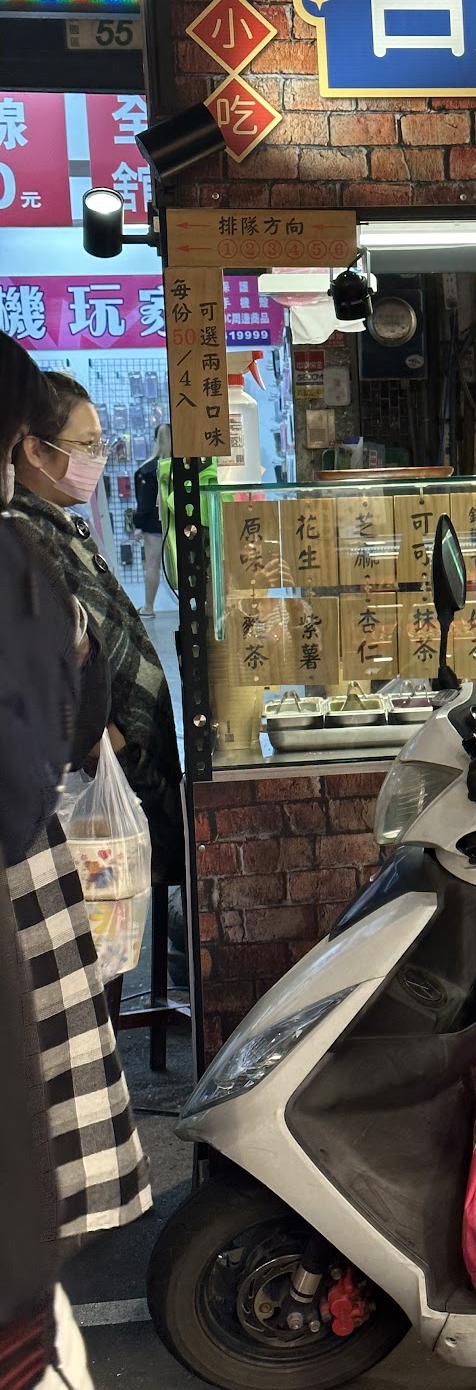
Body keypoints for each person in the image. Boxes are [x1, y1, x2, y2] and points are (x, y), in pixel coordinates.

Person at [0, 337, 144, 1389]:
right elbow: (42, 742)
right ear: (23, 443)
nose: (93, 462)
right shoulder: (19, 555)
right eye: (79, 444)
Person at [12, 374, 184, 891]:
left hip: (122, 765)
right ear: (34, 451)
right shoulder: (23, 536)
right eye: (87, 445)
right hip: (91, 780)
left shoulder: (56, 524)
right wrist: (113, 749)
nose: (98, 458)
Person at [133, 422, 171, 617]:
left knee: (152, 566)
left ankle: (149, 607)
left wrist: (138, 525)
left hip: (153, 525)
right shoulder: (184, 467)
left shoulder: (147, 470)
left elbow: (145, 502)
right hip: (180, 523)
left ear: (156, 440)